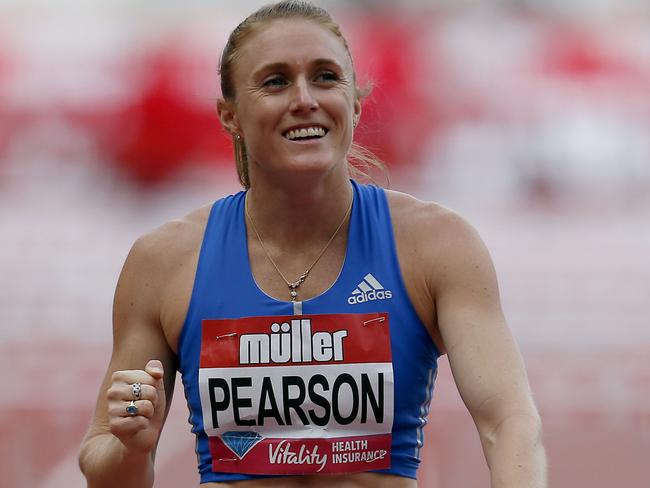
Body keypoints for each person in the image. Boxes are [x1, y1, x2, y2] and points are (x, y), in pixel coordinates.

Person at [79, 1, 547, 487]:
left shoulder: (435, 246)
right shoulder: (166, 261)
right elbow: (107, 469)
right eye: (276, 81)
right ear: (230, 114)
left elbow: (509, 422)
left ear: (356, 103)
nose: (304, 99)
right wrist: (129, 446)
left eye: (325, 77)